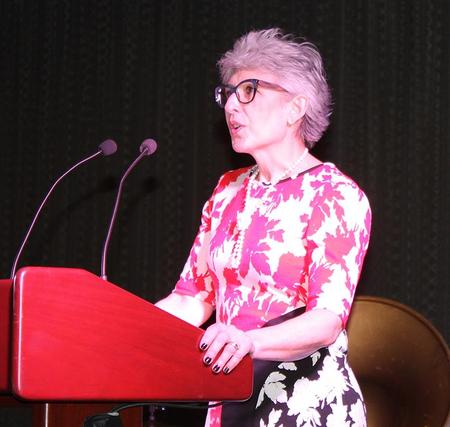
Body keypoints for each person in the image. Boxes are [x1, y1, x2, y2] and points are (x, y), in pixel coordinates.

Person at [156, 28, 371, 427]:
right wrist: (124, 328)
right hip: (229, 394)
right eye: (228, 94)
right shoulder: (227, 190)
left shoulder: (336, 194)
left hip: (305, 403)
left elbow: (326, 320)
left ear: (295, 109)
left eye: (249, 90)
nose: (232, 106)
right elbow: (191, 300)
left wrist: (251, 342)